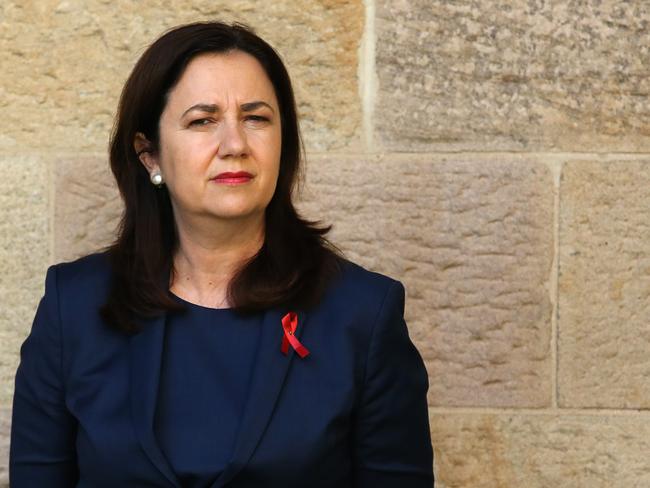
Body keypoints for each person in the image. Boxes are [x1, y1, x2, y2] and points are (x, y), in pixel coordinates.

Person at [9, 21, 434, 487]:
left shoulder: (362, 314)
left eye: (256, 118)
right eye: (202, 120)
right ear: (149, 154)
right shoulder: (73, 308)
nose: (235, 145)